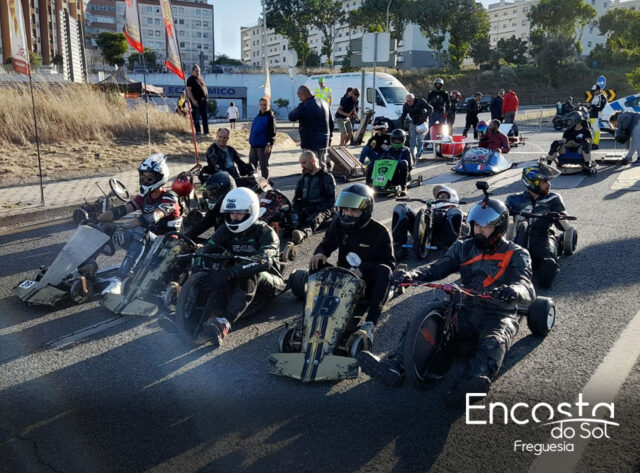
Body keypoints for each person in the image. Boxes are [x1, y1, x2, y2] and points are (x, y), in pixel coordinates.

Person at [357, 196, 535, 407]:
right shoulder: (463, 247)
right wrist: (413, 275)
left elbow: (527, 286)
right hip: (464, 308)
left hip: (497, 314)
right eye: (475, 225)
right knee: (425, 320)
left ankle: (471, 383)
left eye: (484, 226)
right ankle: (395, 364)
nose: (478, 230)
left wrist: (513, 290)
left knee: (494, 341)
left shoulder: (517, 253)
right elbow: (438, 267)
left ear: (499, 227)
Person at [193, 187, 286, 347]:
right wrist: (198, 267)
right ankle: (190, 312)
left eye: (239, 213)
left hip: (268, 281)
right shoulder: (225, 229)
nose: (234, 217)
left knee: (250, 271)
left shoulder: (265, 232)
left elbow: (264, 261)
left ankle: (224, 323)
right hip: (236, 278)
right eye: (231, 213)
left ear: (251, 212)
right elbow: (207, 250)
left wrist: (230, 273)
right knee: (209, 263)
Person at [309, 184, 395, 344]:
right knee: (316, 262)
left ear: (366, 209)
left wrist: (363, 270)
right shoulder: (338, 225)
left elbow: (389, 264)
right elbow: (326, 244)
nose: (348, 214)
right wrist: (320, 253)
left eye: (354, 210)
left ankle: (370, 323)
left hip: (368, 283)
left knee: (384, 271)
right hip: (343, 279)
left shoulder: (380, 232)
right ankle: (313, 312)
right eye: (345, 210)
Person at [100, 154, 182, 295]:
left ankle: (119, 280)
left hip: (167, 249)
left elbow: (152, 217)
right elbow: (120, 210)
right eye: (143, 177)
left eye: (149, 178)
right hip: (150, 244)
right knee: (106, 227)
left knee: (140, 231)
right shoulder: (144, 198)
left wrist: (124, 226)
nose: (145, 181)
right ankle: (86, 268)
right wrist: (97, 220)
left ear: (160, 178)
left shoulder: (170, 197)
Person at [506, 163, 565, 289]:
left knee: (548, 262)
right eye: (544, 181)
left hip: (543, 236)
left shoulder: (553, 198)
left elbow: (564, 227)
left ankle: (544, 275)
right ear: (532, 183)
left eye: (548, 181)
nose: (549, 185)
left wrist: (558, 216)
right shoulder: (514, 199)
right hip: (519, 238)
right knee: (500, 258)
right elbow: (502, 213)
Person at [391, 184, 463, 260]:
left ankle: (451, 250)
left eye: (443, 196)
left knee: (454, 212)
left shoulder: (456, 213)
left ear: (453, 197)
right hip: (421, 229)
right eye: (438, 197)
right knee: (400, 208)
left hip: (441, 234)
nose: (439, 198)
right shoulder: (432, 209)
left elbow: (465, 230)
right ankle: (398, 247)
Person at [290, 151, 336, 244]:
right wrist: (297, 207)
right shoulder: (303, 177)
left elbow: (331, 200)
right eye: (301, 163)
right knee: (289, 215)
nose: (302, 166)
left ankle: (302, 234)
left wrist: (315, 208)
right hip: (306, 206)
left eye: (304, 163)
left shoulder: (326, 177)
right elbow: (297, 197)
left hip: (321, 208)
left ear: (313, 161)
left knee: (314, 219)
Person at [289, 85, 334, 171]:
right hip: (324, 141)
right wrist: (330, 138)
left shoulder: (304, 106)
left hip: (309, 142)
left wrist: (300, 106)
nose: (299, 99)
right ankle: (323, 179)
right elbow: (331, 122)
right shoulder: (325, 103)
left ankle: (312, 180)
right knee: (322, 167)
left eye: (299, 96)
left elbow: (291, 117)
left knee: (310, 168)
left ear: (303, 95)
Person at [185, 171, 236, 240]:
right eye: (210, 193)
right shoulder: (217, 209)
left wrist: (207, 244)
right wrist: (185, 237)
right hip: (219, 242)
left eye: (213, 193)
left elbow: (222, 237)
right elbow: (204, 223)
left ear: (223, 191)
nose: (211, 197)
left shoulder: (234, 213)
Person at [366, 129, 412, 195]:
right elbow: (381, 160)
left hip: (398, 173)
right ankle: (369, 184)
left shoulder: (406, 150)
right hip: (387, 170)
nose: (397, 141)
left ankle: (403, 186)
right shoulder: (387, 149)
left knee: (404, 162)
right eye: (395, 139)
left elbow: (409, 166)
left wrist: (397, 163)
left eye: (399, 139)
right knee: (371, 163)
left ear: (403, 140)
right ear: (391, 139)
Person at [249, 97, 277, 180]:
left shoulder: (270, 117)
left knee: (263, 167)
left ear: (269, 106)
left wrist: (269, 144)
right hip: (254, 146)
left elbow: (272, 132)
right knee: (252, 167)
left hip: (263, 146)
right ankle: (253, 182)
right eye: (261, 105)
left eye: (265, 105)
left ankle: (265, 183)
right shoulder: (257, 117)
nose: (263, 107)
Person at [399, 93, 433, 160]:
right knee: (412, 139)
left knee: (420, 140)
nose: (409, 103)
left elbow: (430, 108)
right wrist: (402, 127)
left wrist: (425, 115)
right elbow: (403, 116)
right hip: (414, 122)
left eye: (410, 101)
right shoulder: (405, 106)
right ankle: (412, 155)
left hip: (422, 122)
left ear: (413, 99)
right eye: (407, 101)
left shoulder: (420, 101)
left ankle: (419, 154)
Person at [186, 65, 209, 135]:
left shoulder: (201, 78)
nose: (198, 72)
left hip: (204, 100)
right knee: (196, 116)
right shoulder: (190, 79)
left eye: (199, 71)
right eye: (196, 71)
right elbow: (188, 91)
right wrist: (193, 100)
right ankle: (198, 131)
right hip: (196, 100)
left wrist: (206, 97)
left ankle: (206, 131)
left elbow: (204, 88)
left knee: (205, 116)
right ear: (193, 71)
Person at [588, 85, 607, 150]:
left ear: (598, 90)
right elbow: (593, 106)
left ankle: (595, 144)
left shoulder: (602, 96)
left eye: (594, 91)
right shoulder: (595, 96)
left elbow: (600, 107)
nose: (593, 92)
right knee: (593, 131)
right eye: (593, 91)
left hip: (597, 116)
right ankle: (593, 143)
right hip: (592, 115)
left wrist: (591, 106)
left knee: (596, 131)